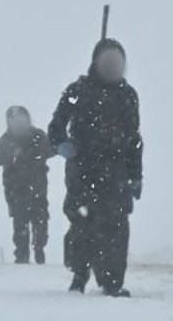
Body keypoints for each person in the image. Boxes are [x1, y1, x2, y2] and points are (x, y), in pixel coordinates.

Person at [49, 38, 143, 296]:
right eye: (108, 62)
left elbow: (134, 139)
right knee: (82, 223)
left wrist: (135, 175)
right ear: (96, 63)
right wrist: (63, 145)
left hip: (117, 173)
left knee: (116, 227)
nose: (114, 67)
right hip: (83, 170)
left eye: (118, 62)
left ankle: (112, 283)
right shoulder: (77, 91)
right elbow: (55, 128)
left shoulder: (128, 96)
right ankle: (79, 275)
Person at [0, 106, 52, 263]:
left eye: (22, 120)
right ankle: (21, 254)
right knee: (20, 222)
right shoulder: (6, 139)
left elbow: (50, 150)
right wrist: (11, 154)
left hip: (37, 186)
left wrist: (34, 155)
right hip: (15, 188)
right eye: (15, 120)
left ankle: (39, 248)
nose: (19, 123)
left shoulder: (38, 135)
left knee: (40, 220)